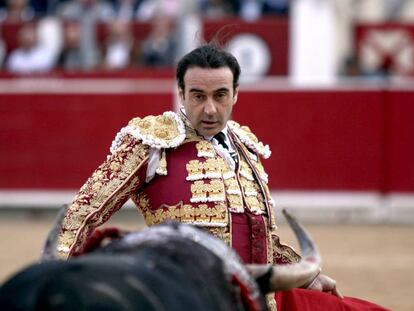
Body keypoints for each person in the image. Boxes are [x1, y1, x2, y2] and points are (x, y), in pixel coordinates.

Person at [56, 44, 389, 311]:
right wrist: (56, 281)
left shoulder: (245, 148)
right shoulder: (153, 142)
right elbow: (83, 213)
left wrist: (304, 276)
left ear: (236, 94)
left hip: (258, 299)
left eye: (220, 96)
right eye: (198, 96)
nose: (210, 109)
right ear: (182, 93)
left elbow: (262, 241)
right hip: (185, 298)